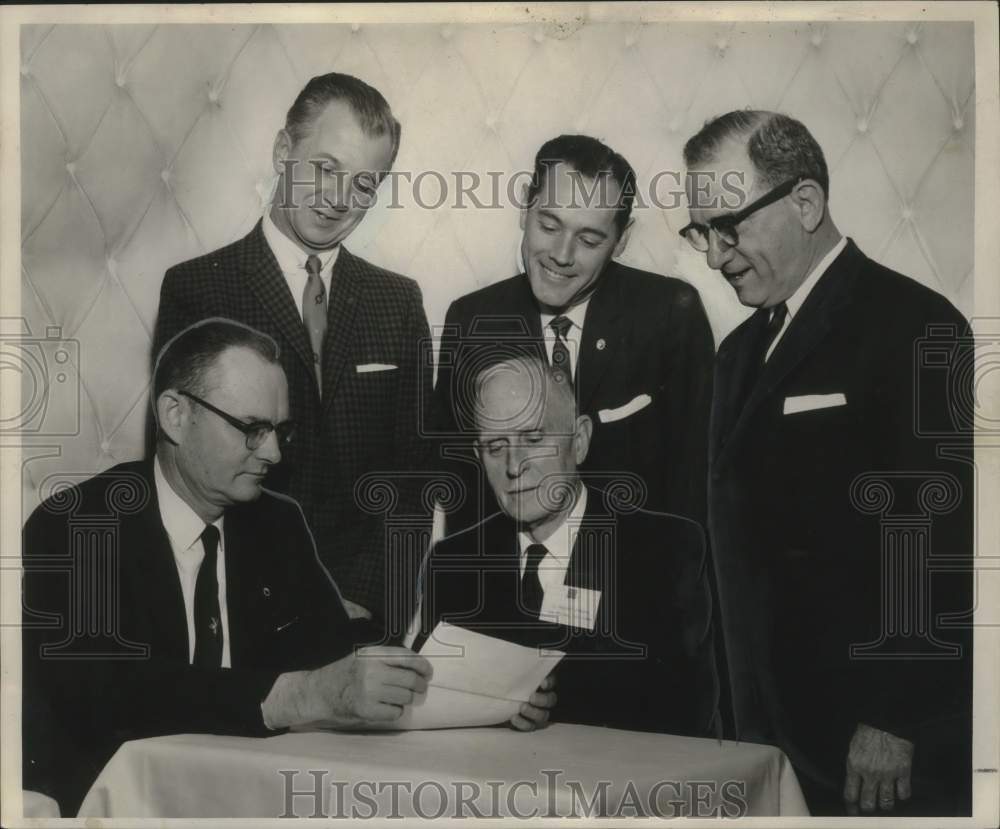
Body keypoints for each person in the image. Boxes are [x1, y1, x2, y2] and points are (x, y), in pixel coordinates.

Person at [681, 110, 973, 815]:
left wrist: (894, 716)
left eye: (730, 226)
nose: (717, 256)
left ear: (805, 202)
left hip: (869, 743)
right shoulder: (737, 353)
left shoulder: (916, 324)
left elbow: (935, 542)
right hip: (762, 734)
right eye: (702, 234)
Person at [22, 319, 434, 816]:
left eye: (280, 431)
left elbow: (331, 659)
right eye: (252, 429)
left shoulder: (278, 522)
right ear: (175, 416)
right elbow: (106, 695)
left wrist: (447, 683)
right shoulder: (75, 526)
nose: (274, 453)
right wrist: (292, 696)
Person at [153, 72, 432, 630]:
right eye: (326, 169)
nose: (337, 200)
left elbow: (415, 474)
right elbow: (179, 473)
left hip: (364, 616)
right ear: (284, 150)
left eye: (363, 185)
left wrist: (363, 595)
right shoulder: (198, 288)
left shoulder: (398, 301)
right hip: (239, 613)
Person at [416, 356, 718, 736]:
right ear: (478, 457)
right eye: (496, 446)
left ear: (579, 441)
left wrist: (553, 708)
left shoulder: (664, 550)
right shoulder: (452, 562)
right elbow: (428, 707)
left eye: (534, 439)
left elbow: (686, 714)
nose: (514, 465)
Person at [433, 134, 714, 535]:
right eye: (549, 225)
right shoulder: (472, 319)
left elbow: (697, 487)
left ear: (622, 240)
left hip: (639, 578)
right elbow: (464, 492)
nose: (562, 255)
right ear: (524, 211)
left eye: (588, 239)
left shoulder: (669, 314)